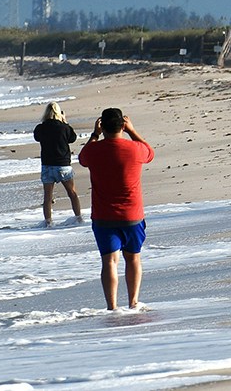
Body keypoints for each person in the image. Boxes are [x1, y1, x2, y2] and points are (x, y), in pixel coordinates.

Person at [77, 108, 154, 311]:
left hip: (104, 217)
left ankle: (112, 307)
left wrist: (95, 135)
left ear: (102, 126)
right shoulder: (135, 149)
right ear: (122, 125)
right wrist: (132, 131)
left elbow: (82, 158)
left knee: (109, 261)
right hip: (132, 215)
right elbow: (150, 152)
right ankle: (133, 302)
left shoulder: (94, 150)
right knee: (133, 258)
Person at [33, 101, 82, 225]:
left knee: (48, 197)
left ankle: (48, 222)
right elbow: (72, 138)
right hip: (63, 165)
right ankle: (78, 217)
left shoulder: (41, 128)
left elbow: (36, 137)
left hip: (47, 165)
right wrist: (65, 122)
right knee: (72, 193)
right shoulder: (64, 127)